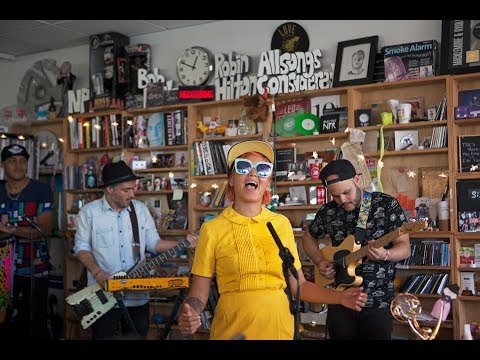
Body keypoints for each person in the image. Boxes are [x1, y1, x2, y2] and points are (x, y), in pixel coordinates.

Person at [178, 140, 367, 340]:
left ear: (268, 182)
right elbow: (198, 294)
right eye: (243, 166)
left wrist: (340, 297)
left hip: (279, 330)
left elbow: (298, 286)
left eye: (262, 169)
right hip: (233, 331)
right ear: (231, 179)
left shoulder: (281, 224)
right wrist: (191, 313)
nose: (253, 174)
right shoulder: (212, 229)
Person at [73, 160, 197, 340]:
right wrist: (98, 273)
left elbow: (154, 244)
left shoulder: (139, 210)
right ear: (109, 189)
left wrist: (183, 242)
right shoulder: (88, 213)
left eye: (133, 188)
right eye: (126, 190)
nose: (132, 193)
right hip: (102, 296)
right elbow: (81, 248)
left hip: (137, 298)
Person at [302, 159, 411, 340]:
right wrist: (320, 261)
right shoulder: (328, 211)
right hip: (339, 298)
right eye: (335, 196)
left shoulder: (386, 205)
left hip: (377, 301)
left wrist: (385, 254)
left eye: (346, 192)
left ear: (357, 180)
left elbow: (405, 248)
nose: (343, 200)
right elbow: (308, 237)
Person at [0, 144, 54, 340]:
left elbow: (43, 230)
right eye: (13, 161)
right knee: (4, 321)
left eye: (23, 161)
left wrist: (10, 229)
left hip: (35, 268)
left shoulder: (41, 190)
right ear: (3, 165)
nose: (19, 165)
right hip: (3, 270)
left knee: (35, 321)